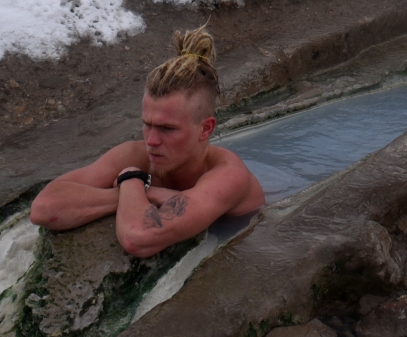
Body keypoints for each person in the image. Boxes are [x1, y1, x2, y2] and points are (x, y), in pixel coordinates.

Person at [28, 27, 264, 258]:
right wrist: (141, 190)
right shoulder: (135, 154)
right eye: (147, 124)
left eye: (167, 129)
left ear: (205, 128)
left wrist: (130, 179)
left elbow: (138, 238)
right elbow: (44, 208)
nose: (151, 141)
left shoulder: (228, 175)